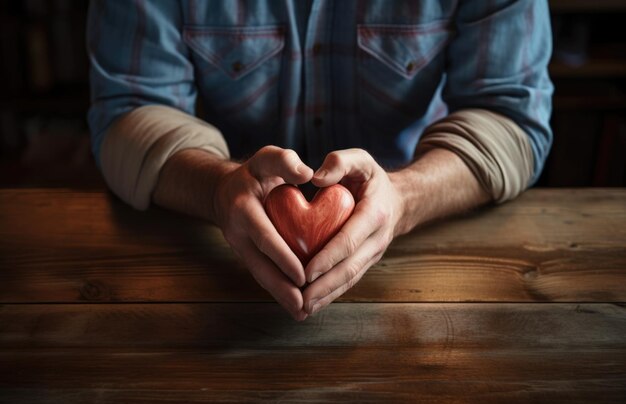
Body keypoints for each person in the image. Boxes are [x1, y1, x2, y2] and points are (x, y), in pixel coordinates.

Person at [87, 1, 553, 321]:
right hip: (219, 257)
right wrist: (216, 188)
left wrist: (405, 198)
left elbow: (512, 116)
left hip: (421, 260)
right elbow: (127, 107)